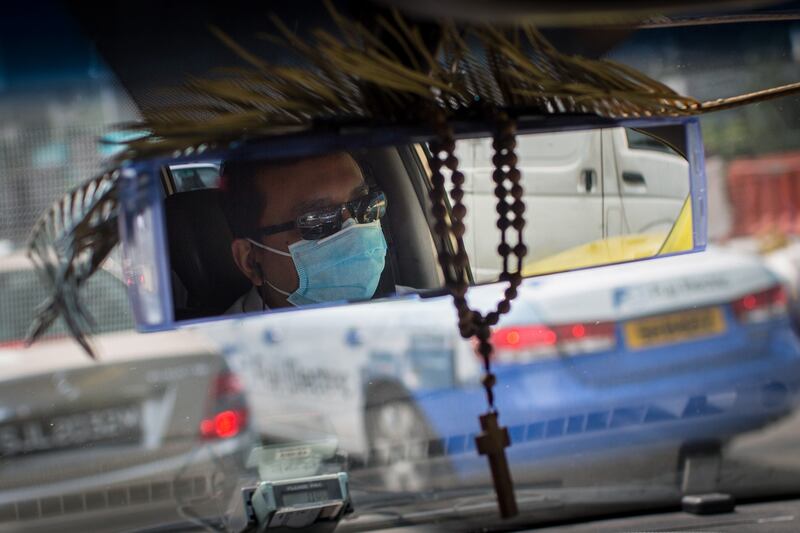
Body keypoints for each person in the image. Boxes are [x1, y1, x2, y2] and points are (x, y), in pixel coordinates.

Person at [221, 151, 389, 313]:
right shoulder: (213, 341)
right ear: (250, 260)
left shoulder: (411, 312)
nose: (355, 236)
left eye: (364, 205)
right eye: (317, 220)